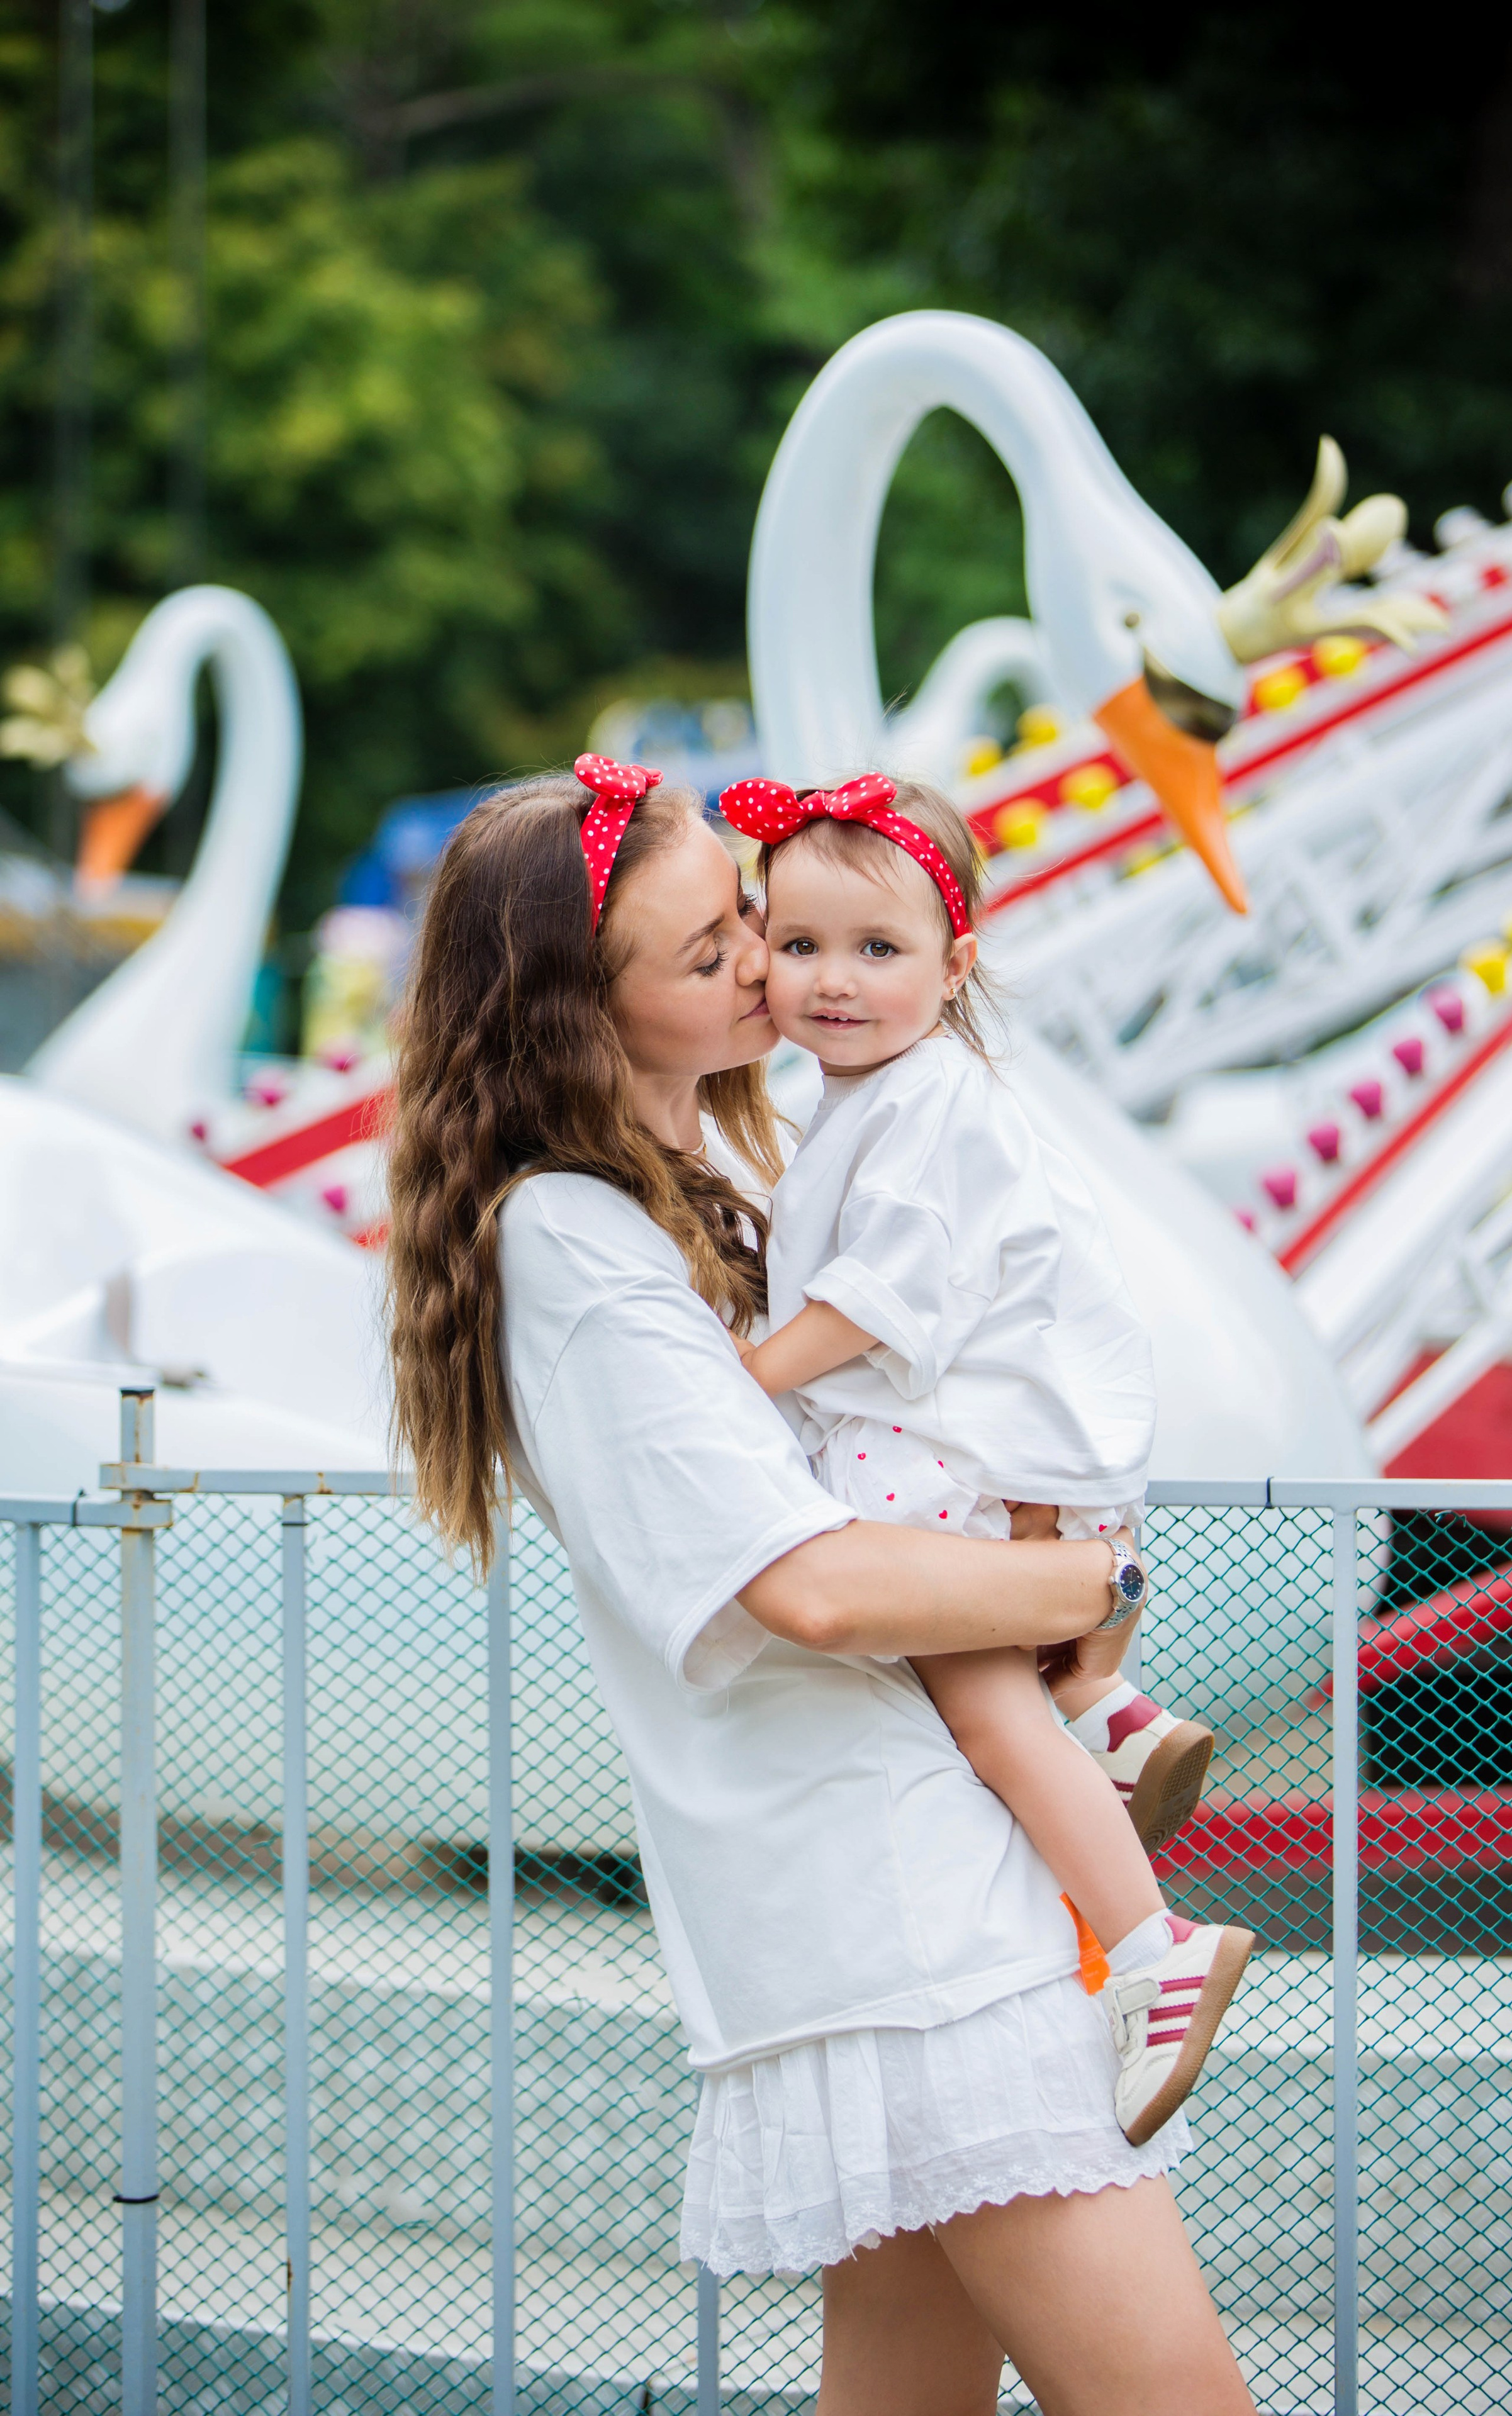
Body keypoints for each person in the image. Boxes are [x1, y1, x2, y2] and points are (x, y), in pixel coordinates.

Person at [386, 752, 1255, 2416]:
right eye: (718, 952)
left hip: (907, 1879)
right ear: (588, 1013)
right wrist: (1087, 1574)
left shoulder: (725, 1197)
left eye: (756, 926)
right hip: (899, 1907)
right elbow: (814, 1590)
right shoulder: (574, 1240)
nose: (777, 973)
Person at [719, 771, 1251, 2147]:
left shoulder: (921, 1104)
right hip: (972, 1435)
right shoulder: (885, 1093)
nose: (833, 981)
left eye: (877, 950)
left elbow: (884, 1299)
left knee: (973, 1707)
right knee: (992, 1696)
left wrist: (739, 1379)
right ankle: (1111, 1729)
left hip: (933, 1438)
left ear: (955, 964)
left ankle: (1151, 1950)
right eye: (798, 946)